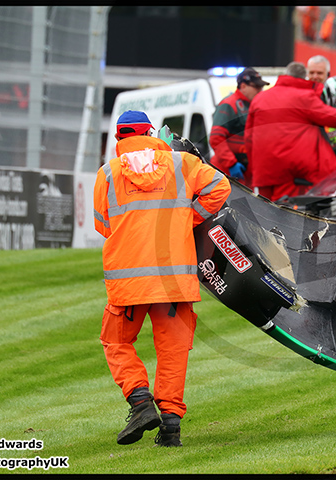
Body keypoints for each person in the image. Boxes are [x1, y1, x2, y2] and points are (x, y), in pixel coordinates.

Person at [94, 110, 231, 447]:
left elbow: (103, 225)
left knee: (115, 342)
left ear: (120, 137)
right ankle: (170, 427)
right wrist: (188, 218)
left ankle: (140, 402)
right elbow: (220, 186)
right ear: (151, 132)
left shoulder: (108, 173)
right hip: (174, 279)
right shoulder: (181, 163)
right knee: (173, 351)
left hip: (128, 282)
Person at [246, 61, 336, 202]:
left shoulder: (259, 99)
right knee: (287, 215)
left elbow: (249, 137)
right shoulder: (305, 97)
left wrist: (253, 167)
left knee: (264, 213)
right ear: (303, 77)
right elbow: (335, 118)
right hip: (291, 172)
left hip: (263, 170)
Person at [208, 67, 269, 187]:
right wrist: (231, 163)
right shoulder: (229, 105)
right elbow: (216, 138)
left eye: (261, 87)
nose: (260, 91)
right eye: (256, 87)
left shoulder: (254, 106)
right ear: (243, 86)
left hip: (244, 171)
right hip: (227, 170)